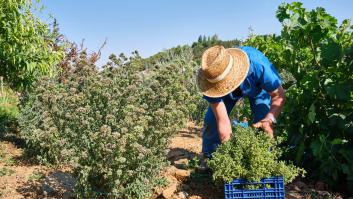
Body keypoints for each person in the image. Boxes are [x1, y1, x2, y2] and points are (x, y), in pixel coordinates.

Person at [197, 45, 285, 158]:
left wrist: (269, 119)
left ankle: (266, 158)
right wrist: (229, 157)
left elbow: (279, 95)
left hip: (258, 89)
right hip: (224, 95)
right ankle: (209, 157)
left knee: (263, 120)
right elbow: (222, 121)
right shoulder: (209, 83)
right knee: (211, 120)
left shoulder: (259, 65)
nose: (228, 86)